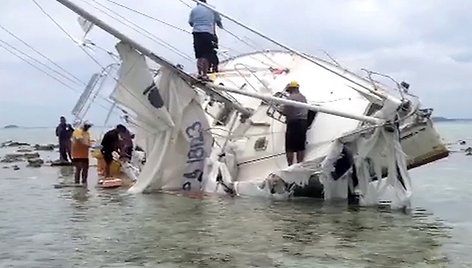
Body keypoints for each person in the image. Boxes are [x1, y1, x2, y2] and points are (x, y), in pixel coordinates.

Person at [188, 0, 223, 80]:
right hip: (208, 33)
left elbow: (191, 23)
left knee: (199, 55)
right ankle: (204, 75)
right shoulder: (212, 8)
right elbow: (218, 21)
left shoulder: (194, 10)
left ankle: (199, 73)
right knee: (206, 54)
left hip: (196, 33)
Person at [282, 81, 308, 166]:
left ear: (291, 89)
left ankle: (290, 165)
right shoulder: (303, 98)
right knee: (301, 145)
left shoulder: (290, 98)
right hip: (303, 123)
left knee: (289, 147)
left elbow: (285, 112)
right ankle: (300, 164)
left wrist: (280, 109)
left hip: (293, 123)